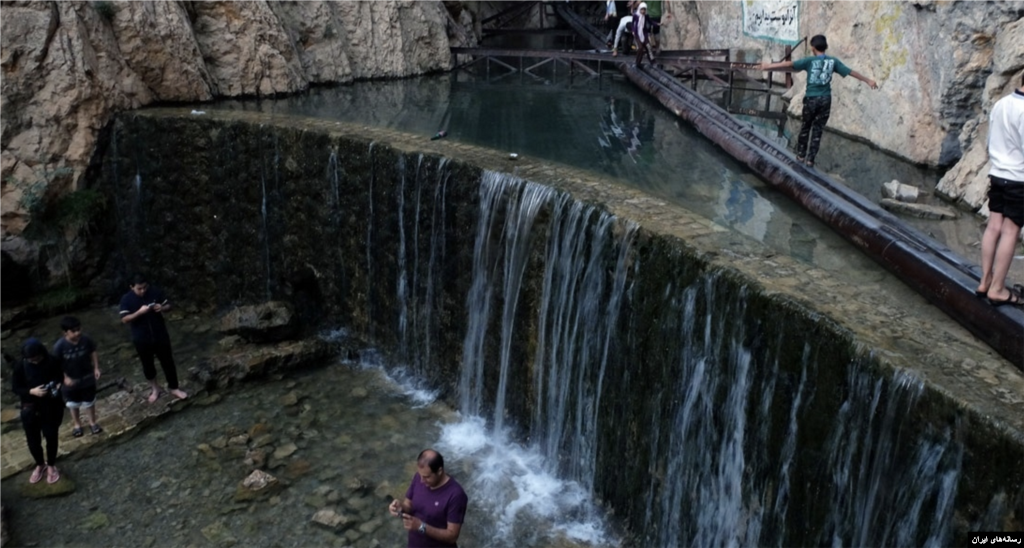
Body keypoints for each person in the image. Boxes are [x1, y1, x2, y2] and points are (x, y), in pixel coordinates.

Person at [760, 34, 878, 168]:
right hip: (825, 100)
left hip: (811, 99)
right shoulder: (833, 61)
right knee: (818, 130)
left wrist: (768, 66)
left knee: (805, 127)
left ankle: (800, 156)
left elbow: (789, 64)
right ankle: (810, 160)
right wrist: (868, 80)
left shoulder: (809, 61)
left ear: (812, 48)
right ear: (826, 47)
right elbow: (850, 72)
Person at [976, 74, 1024, 307]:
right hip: (1018, 178)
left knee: (993, 226)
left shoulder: (1002, 103)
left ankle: (984, 281)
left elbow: (989, 140)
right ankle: (998, 289)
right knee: (1010, 231)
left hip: (997, 174)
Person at [119, 274, 188, 402]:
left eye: (145, 287)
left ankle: (174, 387)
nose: (143, 291)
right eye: (139, 288)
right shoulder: (126, 299)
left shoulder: (154, 291)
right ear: (131, 287)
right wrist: (139, 312)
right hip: (141, 338)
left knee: (168, 362)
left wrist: (162, 308)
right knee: (148, 365)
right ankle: (155, 388)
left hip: (160, 333)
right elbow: (124, 319)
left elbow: (169, 305)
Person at [387, 449, 469, 547]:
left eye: (427, 477)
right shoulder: (419, 477)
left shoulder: (456, 495)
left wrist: (421, 526)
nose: (421, 480)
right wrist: (400, 508)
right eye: (420, 475)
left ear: (439, 471)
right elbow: (408, 505)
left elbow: (452, 536)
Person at [12, 338, 65, 484]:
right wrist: (32, 391)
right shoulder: (21, 366)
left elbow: (60, 375)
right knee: (33, 441)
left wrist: (58, 385)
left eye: (37, 358)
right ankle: (40, 464)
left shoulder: (52, 360)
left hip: (51, 406)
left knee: (51, 436)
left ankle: (51, 465)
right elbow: (16, 388)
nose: (35, 362)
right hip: (30, 407)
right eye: (31, 360)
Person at [53, 316, 102, 436]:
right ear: (65, 332)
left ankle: (92, 422)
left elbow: (93, 352)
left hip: (87, 377)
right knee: (73, 404)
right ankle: (77, 424)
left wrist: (96, 367)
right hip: (70, 381)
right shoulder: (59, 346)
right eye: (73, 331)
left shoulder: (86, 339)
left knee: (90, 402)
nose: (77, 333)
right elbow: (55, 364)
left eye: (79, 329)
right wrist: (64, 378)